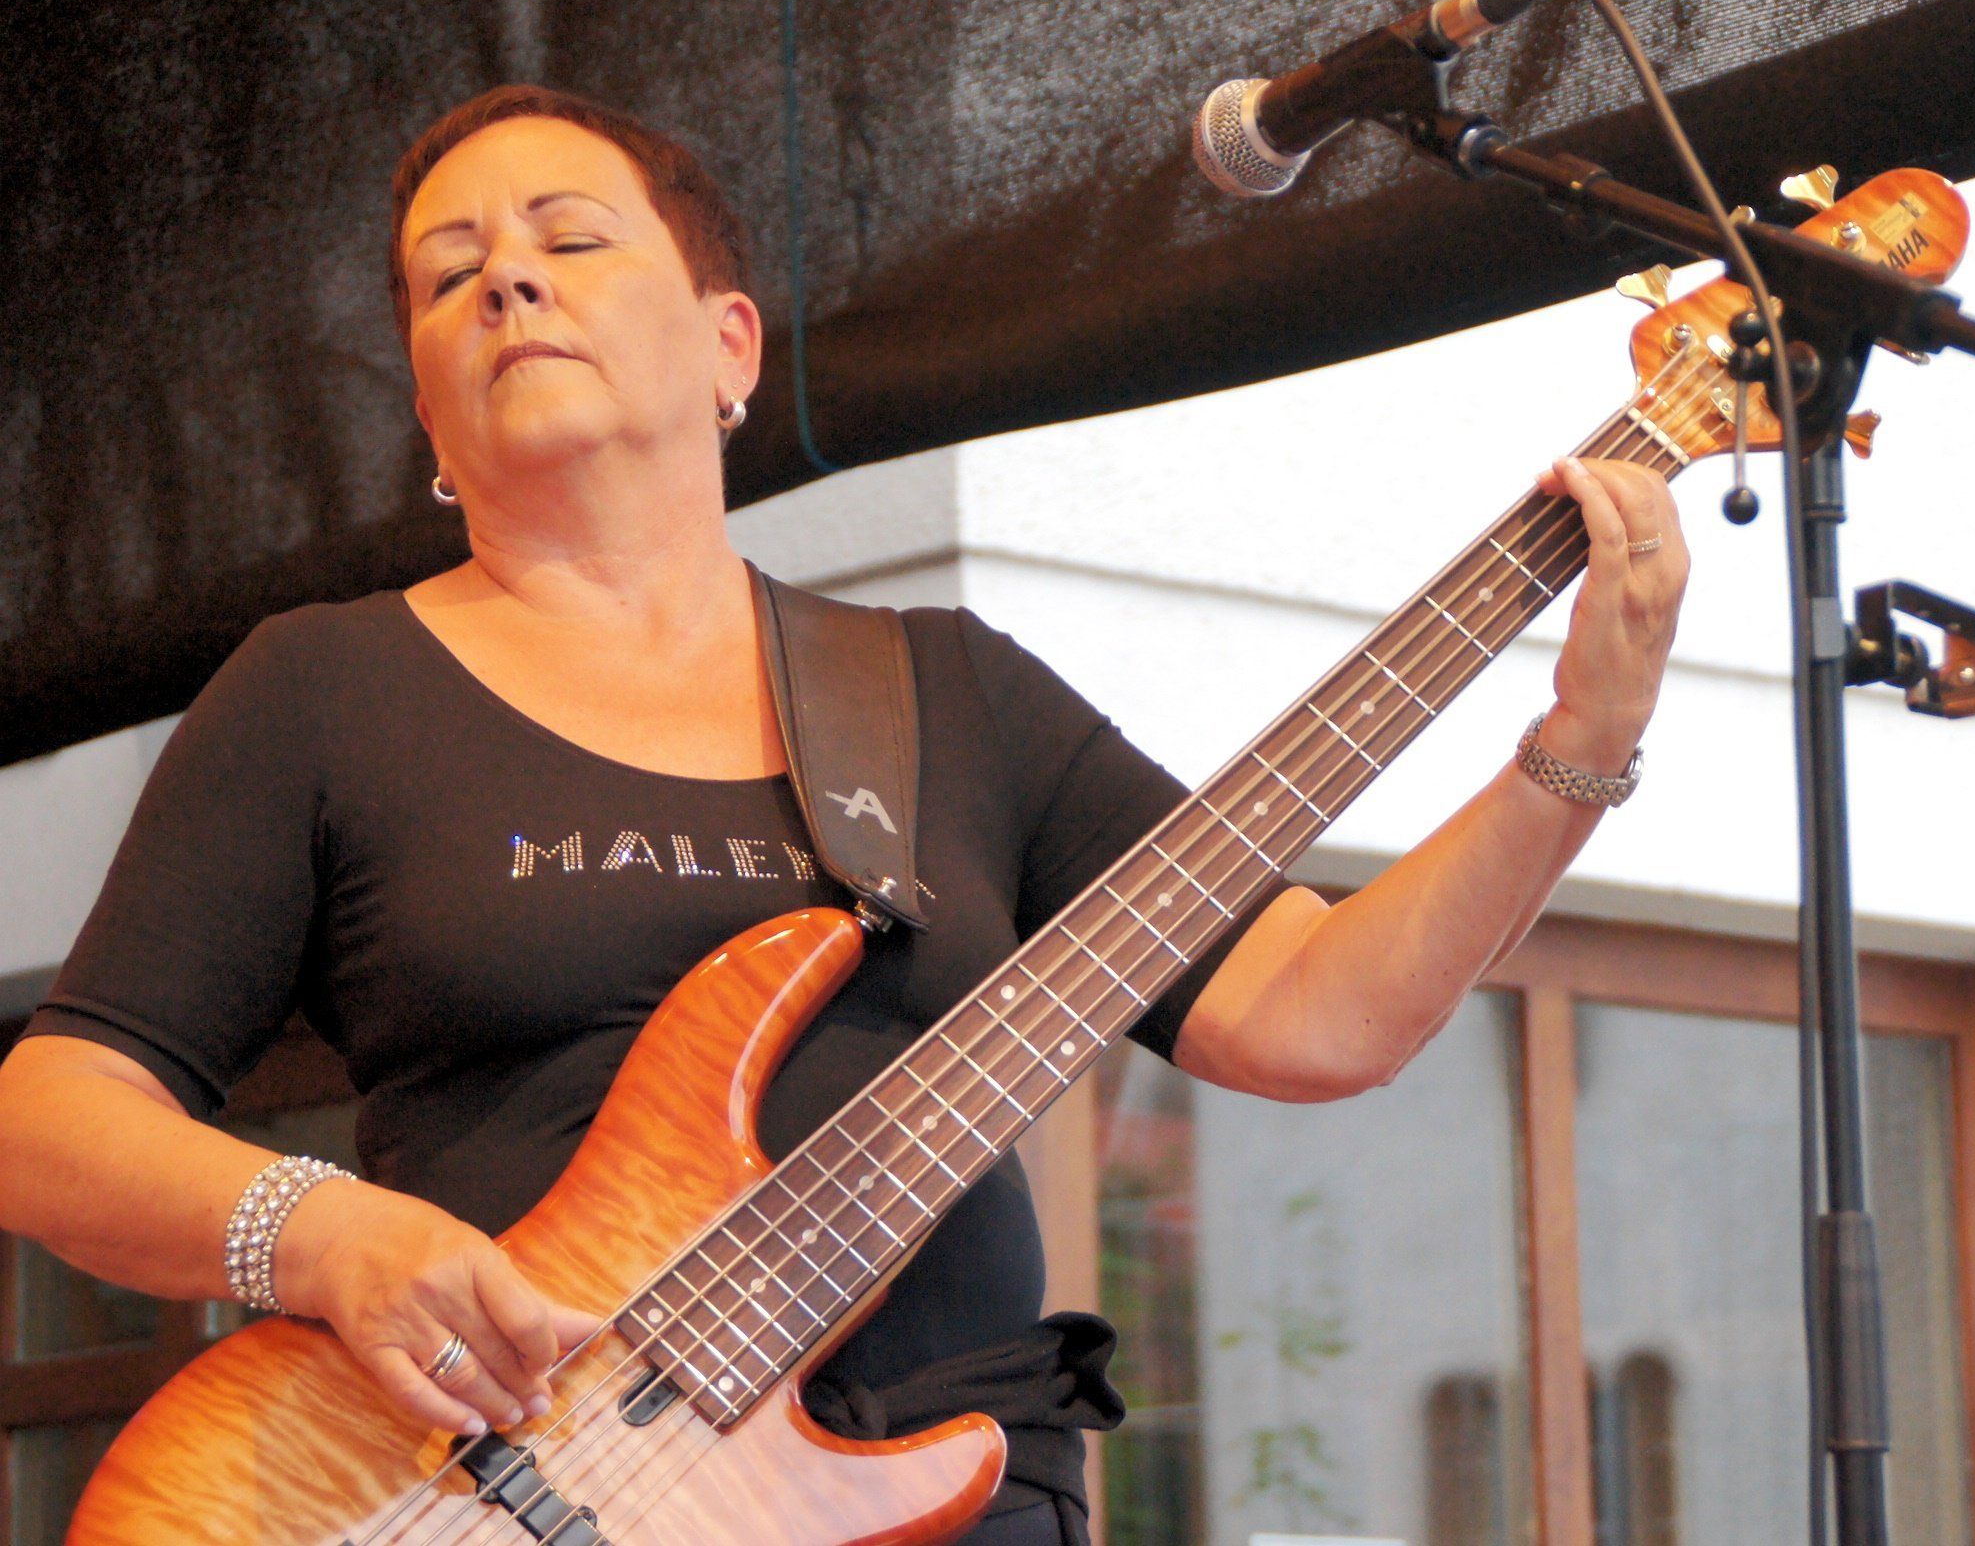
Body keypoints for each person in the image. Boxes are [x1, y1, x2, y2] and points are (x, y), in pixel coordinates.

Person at [0, 85, 1687, 1544]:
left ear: (729, 345)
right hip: (483, 1487)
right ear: (429, 411)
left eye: (569, 238)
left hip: (944, 1489)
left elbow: (1311, 1012)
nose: (506, 276)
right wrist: (321, 1234)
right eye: (452, 276)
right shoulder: (323, 687)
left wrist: (1579, 746)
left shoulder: (942, 690)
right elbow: (49, 1118)